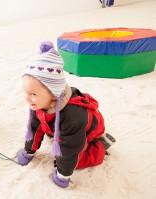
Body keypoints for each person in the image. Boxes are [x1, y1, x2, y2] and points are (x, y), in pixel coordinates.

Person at [16, 41, 115, 188]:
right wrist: (28, 152)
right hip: (60, 126)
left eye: (33, 94)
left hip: (87, 132)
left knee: (75, 159)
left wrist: (63, 176)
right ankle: (57, 134)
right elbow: (35, 128)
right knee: (50, 130)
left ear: (53, 93)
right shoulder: (38, 104)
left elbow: (69, 150)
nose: (27, 98)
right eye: (26, 92)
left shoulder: (72, 116)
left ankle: (101, 145)